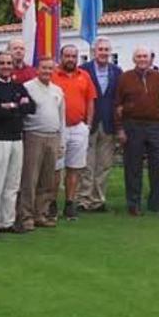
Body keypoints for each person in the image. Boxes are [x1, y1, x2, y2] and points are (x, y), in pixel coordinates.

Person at [0, 51, 35, 237]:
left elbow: (31, 107)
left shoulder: (18, 87)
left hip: (16, 138)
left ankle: (7, 221)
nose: (5, 66)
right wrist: (16, 106)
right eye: (2, 63)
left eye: (9, 63)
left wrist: (10, 106)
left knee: (13, 183)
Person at [116, 46, 159, 216]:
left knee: (157, 166)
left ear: (150, 58)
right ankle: (133, 203)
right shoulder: (125, 78)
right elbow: (117, 105)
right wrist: (120, 129)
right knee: (133, 166)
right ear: (134, 59)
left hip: (154, 126)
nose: (142, 59)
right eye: (139, 56)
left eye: (145, 56)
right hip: (133, 125)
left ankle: (155, 204)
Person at [51, 44, 97, 220]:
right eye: (67, 56)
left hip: (79, 127)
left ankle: (70, 203)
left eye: (73, 56)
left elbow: (90, 101)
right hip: (58, 128)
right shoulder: (53, 75)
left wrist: (88, 125)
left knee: (75, 168)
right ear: (61, 57)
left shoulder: (84, 76)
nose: (70, 59)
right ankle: (52, 203)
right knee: (56, 168)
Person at [19, 57, 65, 230]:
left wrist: (61, 142)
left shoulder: (58, 90)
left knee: (47, 179)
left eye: (50, 68)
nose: (47, 71)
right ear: (37, 69)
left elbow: (62, 118)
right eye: (44, 68)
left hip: (53, 136)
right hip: (33, 135)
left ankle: (41, 213)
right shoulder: (28, 88)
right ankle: (26, 216)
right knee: (30, 178)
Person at [78, 37, 122, 212]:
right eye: (100, 49)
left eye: (106, 50)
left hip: (109, 123)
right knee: (87, 164)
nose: (103, 53)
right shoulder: (84, 71)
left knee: (104, 164)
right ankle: (84, 199)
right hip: (89, 121)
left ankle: (98, 199)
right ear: (94, 52)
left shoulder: (117, 72)